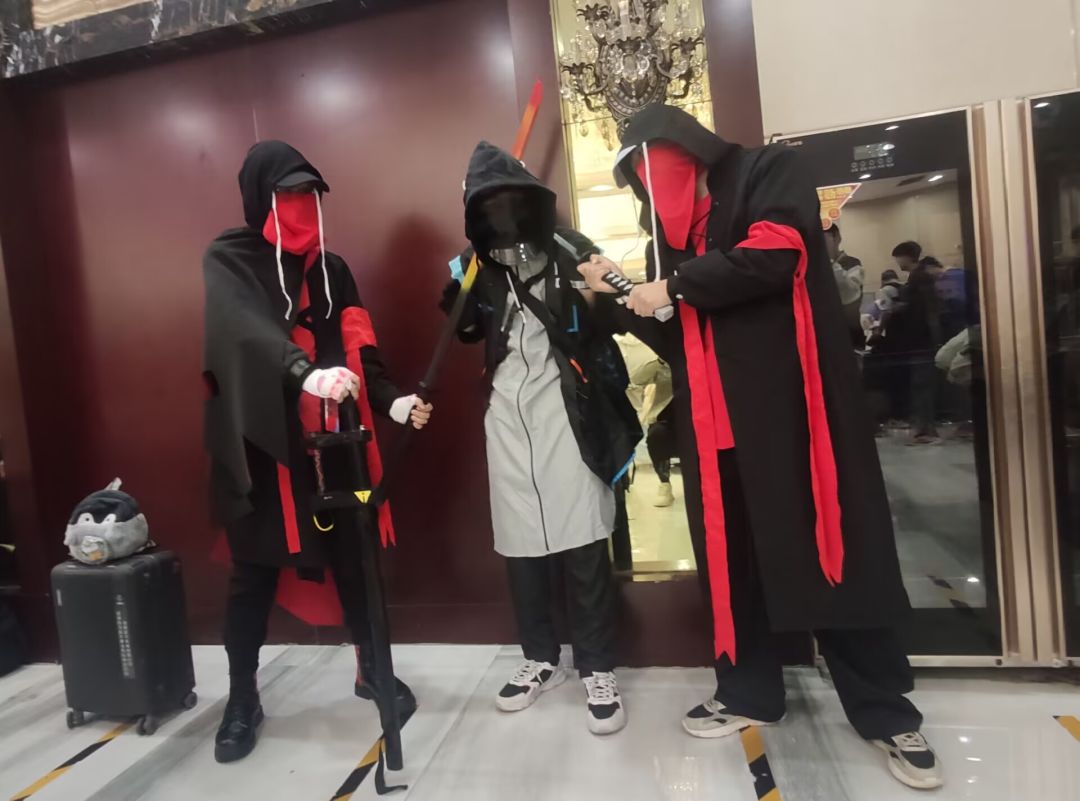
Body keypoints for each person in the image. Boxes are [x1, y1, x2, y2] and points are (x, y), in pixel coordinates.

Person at [577, 104, 942, 790]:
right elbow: (679, 338)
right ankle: (748, 689)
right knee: (733, 568)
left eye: (653, 167)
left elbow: (776, 256)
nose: (653, 186)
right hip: (713, 436)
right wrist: (619, 298)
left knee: (829, 556)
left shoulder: (767, 173)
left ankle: (886, 711)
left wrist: (671, 285)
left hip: (790, 423)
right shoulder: (667, 248)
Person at [202, 141, 433, 763]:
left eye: (309, 194)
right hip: (258, 449)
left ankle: (371, 670)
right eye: (288, 194)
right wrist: (304, 372)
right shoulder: (230, 259)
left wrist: (390, 401)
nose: (301, 204)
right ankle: (242, 698)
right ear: (261, 198)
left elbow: (359, 348)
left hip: (336, 445)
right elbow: (245, 332)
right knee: (252, 576)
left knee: (356, 561)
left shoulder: (332, 271)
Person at [441, 141, 640, 735]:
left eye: (511, 200)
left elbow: (614, 317)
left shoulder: (570, 247)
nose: (502, 214)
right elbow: (465, 332)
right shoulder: (472, 265)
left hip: (569, 411)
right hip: (507, 417)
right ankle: (539, 657)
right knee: (522, 543)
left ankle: (597, 667)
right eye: (489, 204)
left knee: (583, 537)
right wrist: (457, 295)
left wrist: (599, 290)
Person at [824, 224, 865, 348]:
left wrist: (828, 259)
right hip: (825, 334)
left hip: (849, 334)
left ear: (837, 238)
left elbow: (847, 294)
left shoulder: (852, 264)